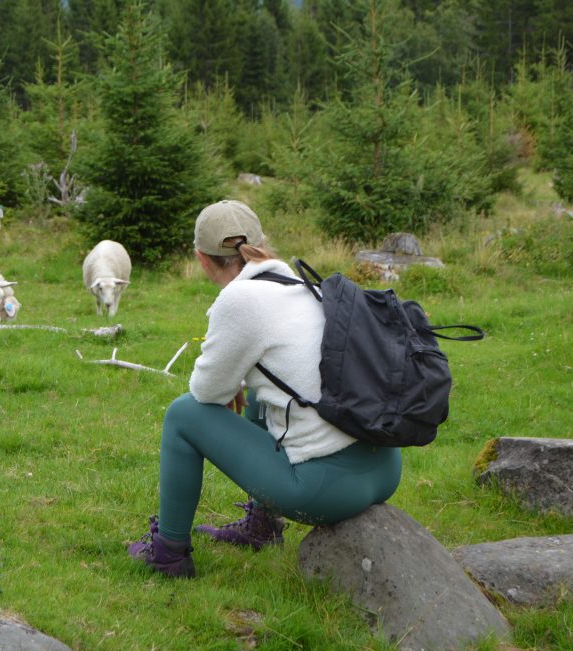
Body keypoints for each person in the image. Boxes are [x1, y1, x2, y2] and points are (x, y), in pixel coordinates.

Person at [127, 200, 401, 578]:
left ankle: (168, 554)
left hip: (325, 489)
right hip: (384, 467)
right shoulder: (300, 284)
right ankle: (262, 527)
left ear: (202, 259)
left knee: (182, 415)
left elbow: (205, 394)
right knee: (260, 392)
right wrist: (242, 379)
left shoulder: (240, 299)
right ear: (263, 244)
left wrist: (231, 382)